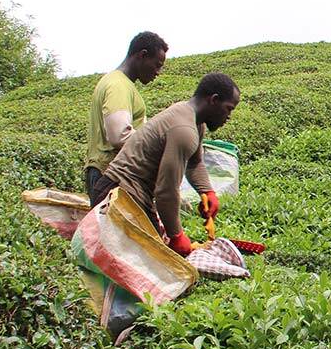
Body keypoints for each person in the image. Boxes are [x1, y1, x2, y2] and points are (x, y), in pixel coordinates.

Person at [91, 72, 239, 257]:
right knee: (148, 263)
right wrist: (176, 235)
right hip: (118, 195)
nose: (229, 116)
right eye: (229, 108)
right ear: (214, 100)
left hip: (132, 195)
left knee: (156, 260)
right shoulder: (184, 130)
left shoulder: (193, 120)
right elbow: (166, 191)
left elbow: (195, 163)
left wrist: (207, 191)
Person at [84, 31, 169, 198]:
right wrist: (159, 148)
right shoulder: (118, 85)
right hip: (110, 175)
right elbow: (119, 135)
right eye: (157, 65)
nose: (158, 72)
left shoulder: (118, 82)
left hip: (107, 173)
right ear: (142, 55)